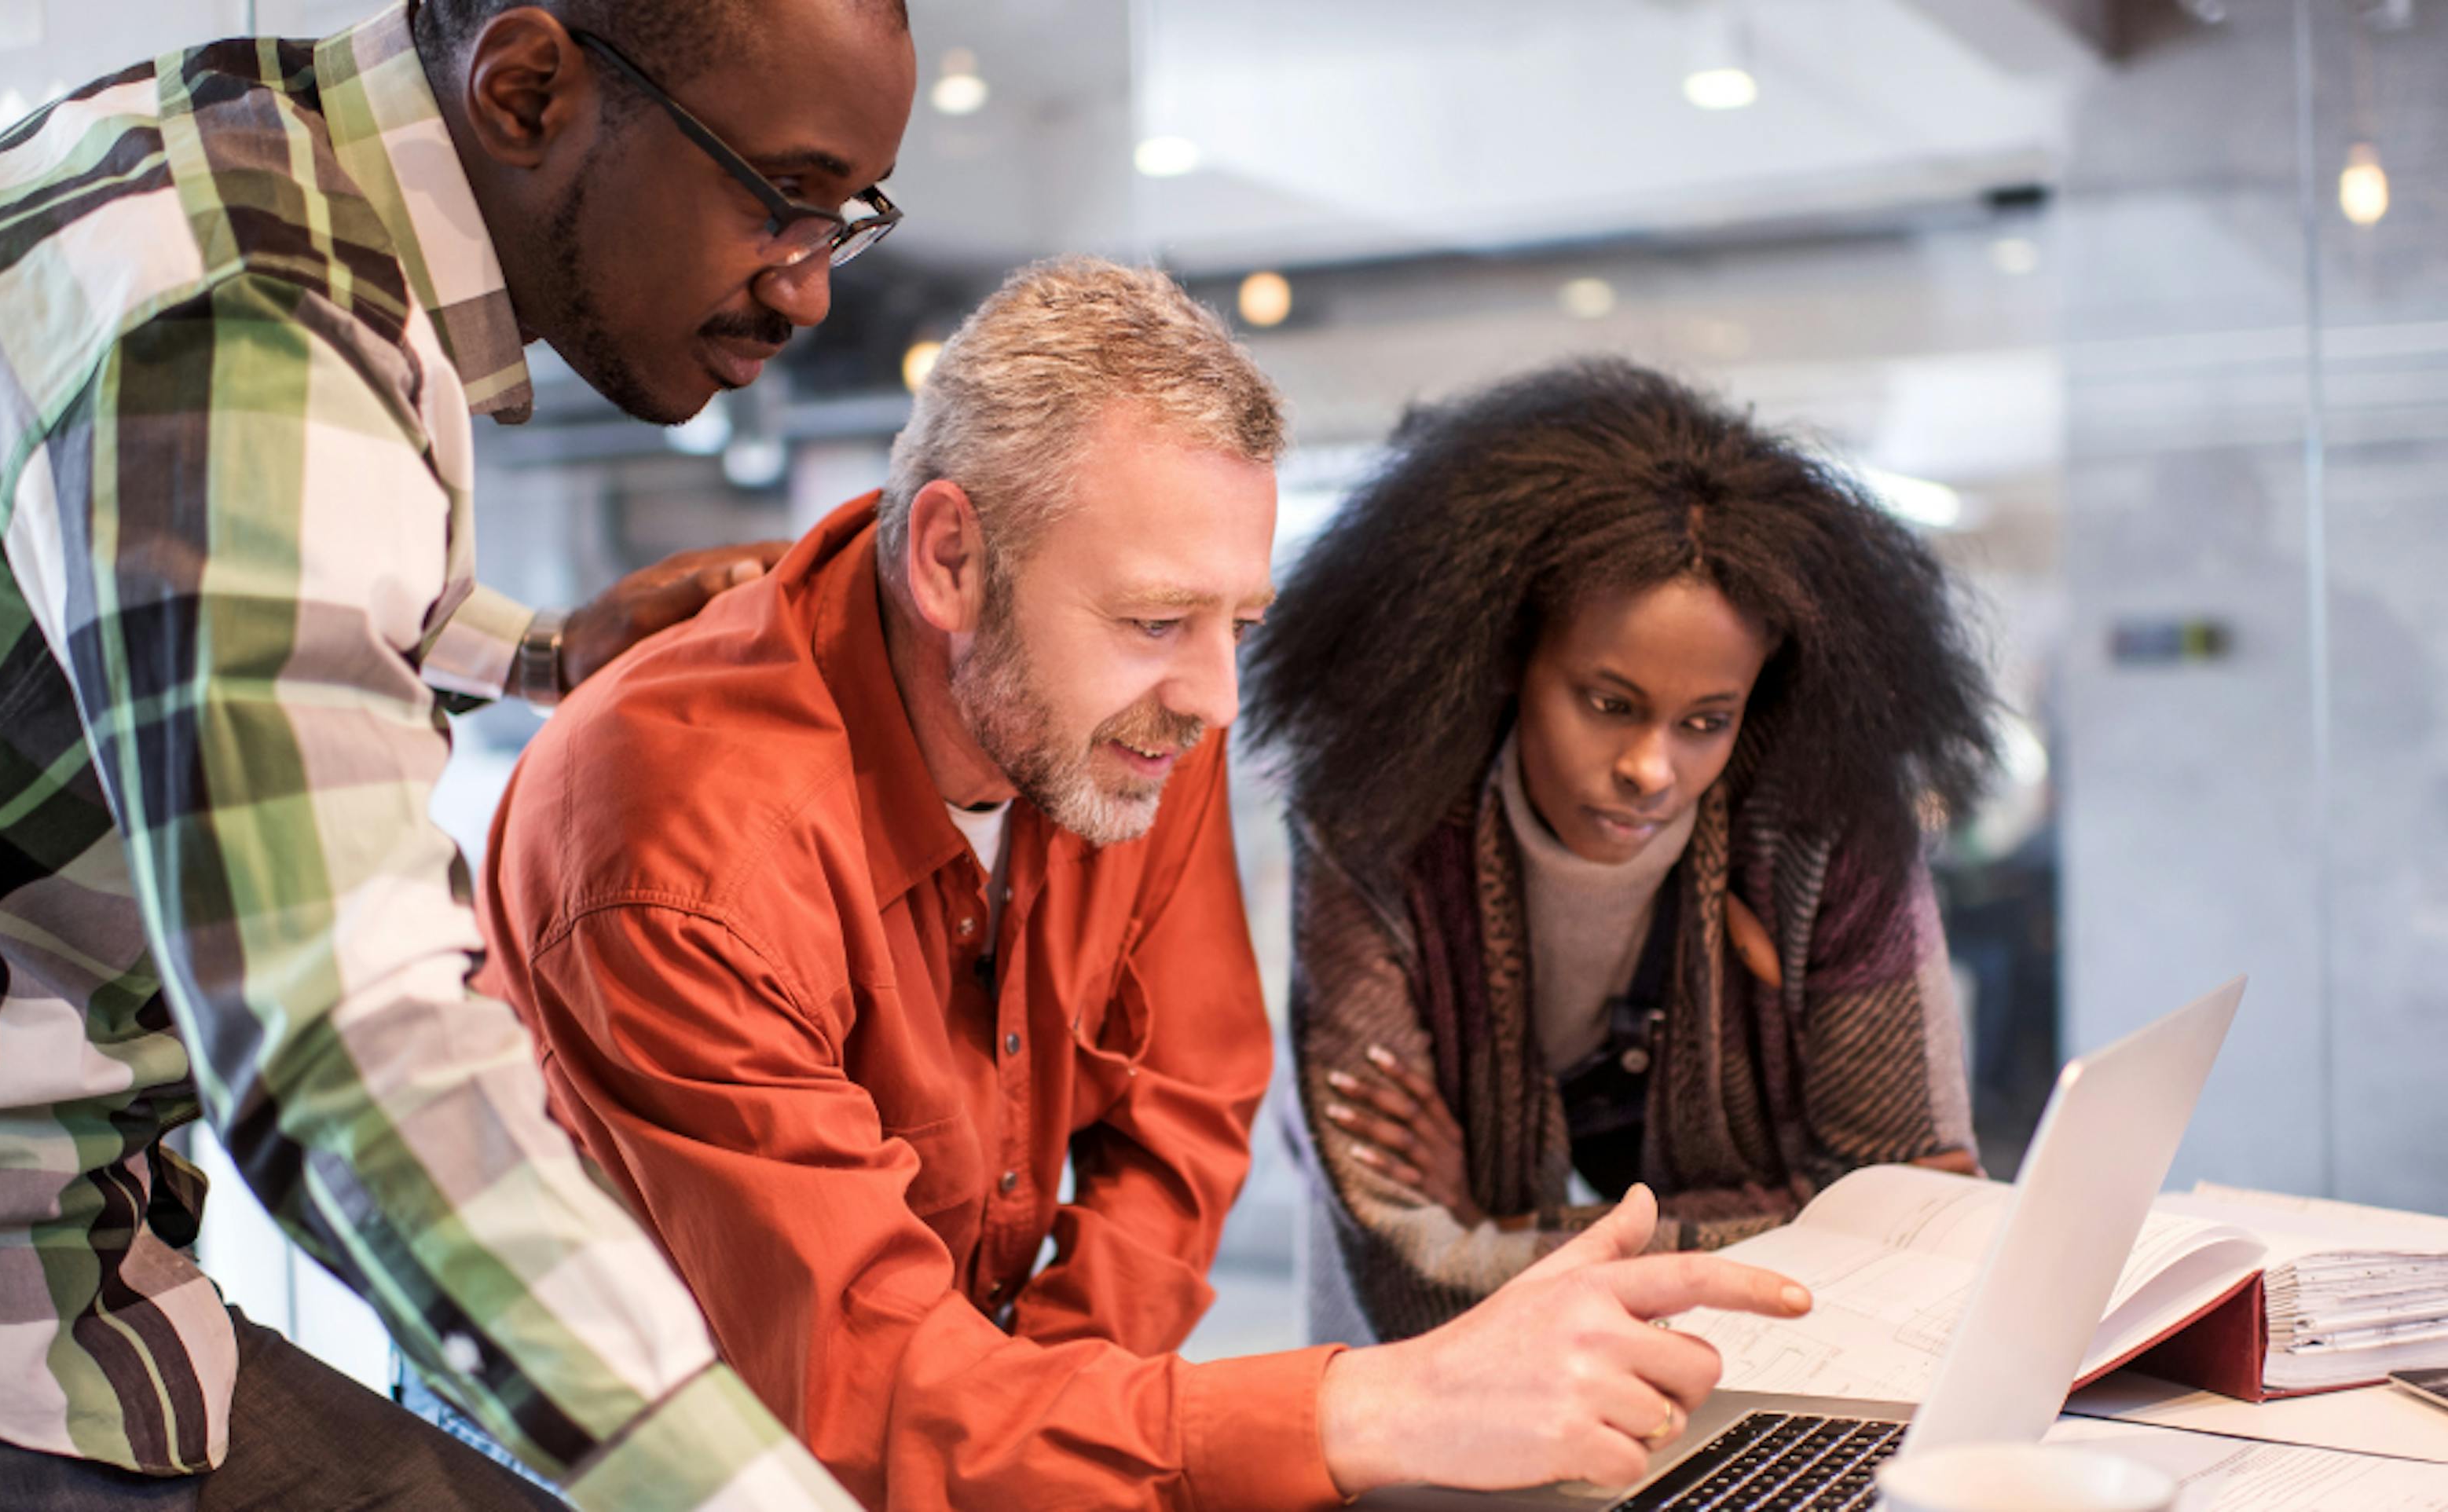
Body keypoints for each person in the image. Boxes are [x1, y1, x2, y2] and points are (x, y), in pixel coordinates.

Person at [0, 0, 917, 1505]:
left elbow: (167, 572)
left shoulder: (227, 149)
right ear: (524, 90)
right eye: (782, 199)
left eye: (847, 221)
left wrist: (538, 655)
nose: (809, 289)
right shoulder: (253, 322)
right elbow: (352, 1058)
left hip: (30, 1230)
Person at [472, 258, 1812, 1510]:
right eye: (1157, 622)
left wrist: (1044, 1427)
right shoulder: (676, 851)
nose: (1214, 700)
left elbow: (1184, 1104)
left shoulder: (1106, 717)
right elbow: (854, 1387)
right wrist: (1370, 1409)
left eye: (1237, 626)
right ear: (950, 561)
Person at [1240, 359, 1997, 1343]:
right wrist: (1801, 1214)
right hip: (1443, 1405)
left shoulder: (1829, 818)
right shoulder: (1377, 816)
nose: (1652, 767)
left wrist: (1497, 1227)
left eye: (1706, 720)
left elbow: (1913, 1235)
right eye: (1609, 704)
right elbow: (1409, 1278)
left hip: (1772, 1379)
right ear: (1510, 652)